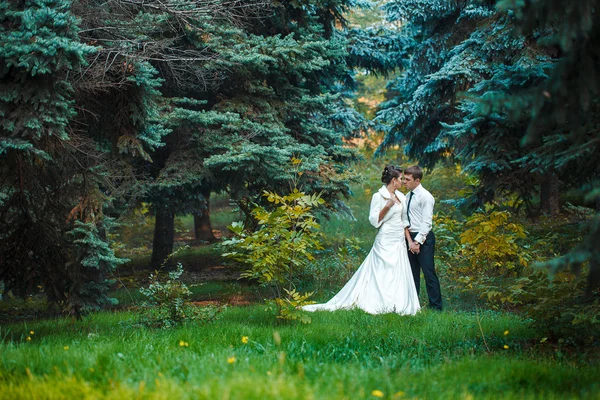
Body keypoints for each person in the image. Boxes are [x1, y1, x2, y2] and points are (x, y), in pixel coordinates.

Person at [302, 166, 420, 315]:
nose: (403, 181)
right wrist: (387, 206)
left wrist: (409, 241)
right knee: (382, 272)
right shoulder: (379, 196)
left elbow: (404, 221)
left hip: (399, 241)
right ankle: (379, 302)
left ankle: (397, 304)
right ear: (394, 180)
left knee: (398, 272)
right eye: (400, 178)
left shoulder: (402, 197)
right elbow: (374, 220)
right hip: (385, 239)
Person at [402, 165, 442, 311]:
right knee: (412, 274)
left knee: (429, 272)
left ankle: (436, 308)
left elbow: (427, 223)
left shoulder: (426, 196)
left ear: (417, 180)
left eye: (407, 179)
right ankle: (413, 306)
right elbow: (405, 219)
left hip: (424, 239)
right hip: (410, 239)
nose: (404, 182)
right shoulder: (407, 197)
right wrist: (410, 241)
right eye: (404, 179)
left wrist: (417, 241)